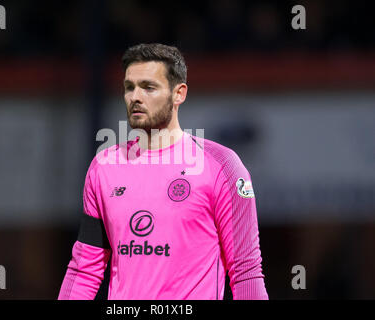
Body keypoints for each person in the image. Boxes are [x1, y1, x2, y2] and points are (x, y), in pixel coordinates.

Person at [58, 43, 268, 300]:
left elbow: (245, 270)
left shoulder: (221, 166)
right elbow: (84, 270)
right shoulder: (104, 168)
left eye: (148, 87)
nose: (135, 96)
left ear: (178, 94)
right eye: (129, 87)